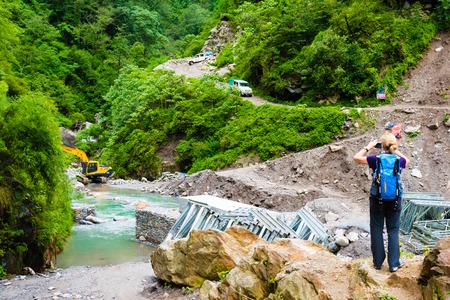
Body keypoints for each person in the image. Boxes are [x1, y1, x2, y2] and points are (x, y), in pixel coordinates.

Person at [353, 132, 410, 272]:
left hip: (377, 199)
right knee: (393, 230)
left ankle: (378, 263)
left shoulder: (375, 159)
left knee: (377, 229)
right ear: (393, 145)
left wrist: (368, 147)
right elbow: (407, 160)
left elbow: (356, 157)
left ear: (381, 145)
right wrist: (395, 150)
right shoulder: (399, 160)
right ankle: (394, 263)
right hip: (395, 199)